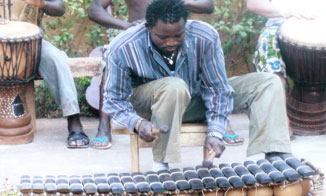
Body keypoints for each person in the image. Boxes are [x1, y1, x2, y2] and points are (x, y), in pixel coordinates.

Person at [101, 0, 292, 171]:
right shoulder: (123, 47)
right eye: (163, 37)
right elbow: (112, 100)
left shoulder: (205, 36)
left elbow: (217, 89)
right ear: (147, 27)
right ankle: (161, 167)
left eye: (178, 36)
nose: (171, 42)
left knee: (267, 82)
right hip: (150, 110)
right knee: (174, 86)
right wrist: (137, 123)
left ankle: (269, 158)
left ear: (186, 25)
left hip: (194, 100)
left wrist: (216, 132)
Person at [87, 0, 245, 150]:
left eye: (175, 37)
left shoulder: (201, 35)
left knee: (206, 75)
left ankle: (219, 123)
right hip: (137, 38)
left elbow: (207, 5)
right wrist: (126, 25)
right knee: (113, 58)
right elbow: (95, 9)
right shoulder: (125, 42)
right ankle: (104, 126)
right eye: (165, 38)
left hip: (179, 39)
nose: (170, 42)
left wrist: (176, 4)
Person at [1, 0, 89, 148]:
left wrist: (42, 4)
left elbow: (60, 8)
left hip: (31, 44)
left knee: (57, 60)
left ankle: (74, 123)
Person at [246, 0, 326, 139]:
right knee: (269, 52)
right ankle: (280, 120)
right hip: (279, 24)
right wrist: (288, 11)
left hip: (321, 23)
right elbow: (254, 4)